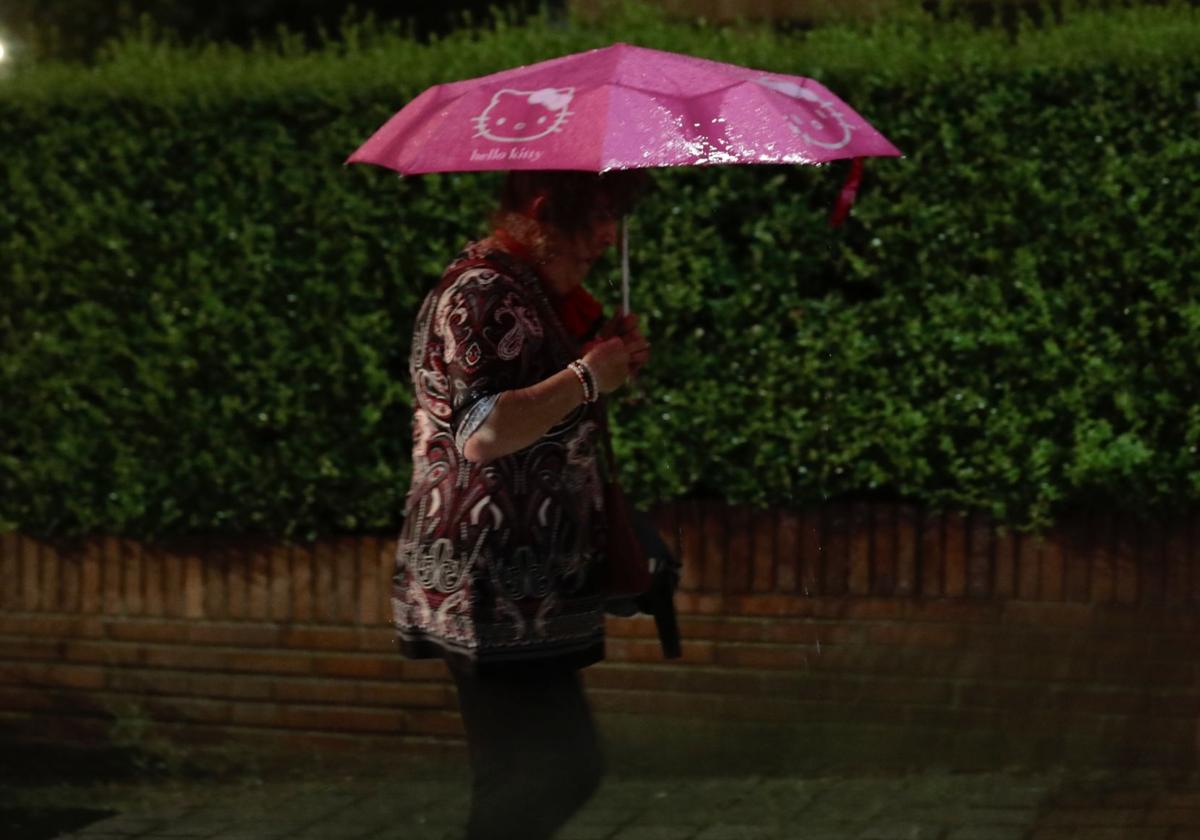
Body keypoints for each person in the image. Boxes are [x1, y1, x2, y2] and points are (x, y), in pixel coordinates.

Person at [392, 169, 652, 840]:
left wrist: (603, 358)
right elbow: (483, 432)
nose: (607, 236)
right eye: (595, 216)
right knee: (559, 769)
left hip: (515, 580)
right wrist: (589, 376)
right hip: (492, 581)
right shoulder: (483, 291)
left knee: (519, 775)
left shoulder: (527, 291)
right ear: (541, 211)